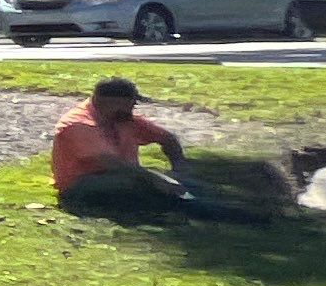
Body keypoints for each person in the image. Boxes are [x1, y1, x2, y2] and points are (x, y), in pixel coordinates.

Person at [50, 78, 242, 217]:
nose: (133, 109)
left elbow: (167, 138)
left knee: (180, 183)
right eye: (131, 104)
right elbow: (112, 164)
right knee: (155, 189)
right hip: (82, 186)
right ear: (110, 102)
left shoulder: (122, 119)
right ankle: (230, 214)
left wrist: (180, 166)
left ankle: (232, 203)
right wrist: (156, 180)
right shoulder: (78, 124)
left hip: (126, 176)